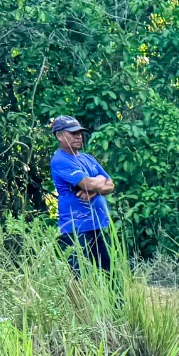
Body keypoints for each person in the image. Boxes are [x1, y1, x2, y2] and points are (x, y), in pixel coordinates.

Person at [49, 115, 115, 273]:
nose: (78, 136)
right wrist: (99, 182)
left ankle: (114, 300)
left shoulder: (88, 158)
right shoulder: (60, 160)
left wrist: (93, 191)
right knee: (79, 278)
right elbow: (87, 184)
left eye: (79, 132)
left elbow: (111, 184)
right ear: (59, 135)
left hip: (99, 225)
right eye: (73, 133)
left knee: (110, 274)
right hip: (76, 229)